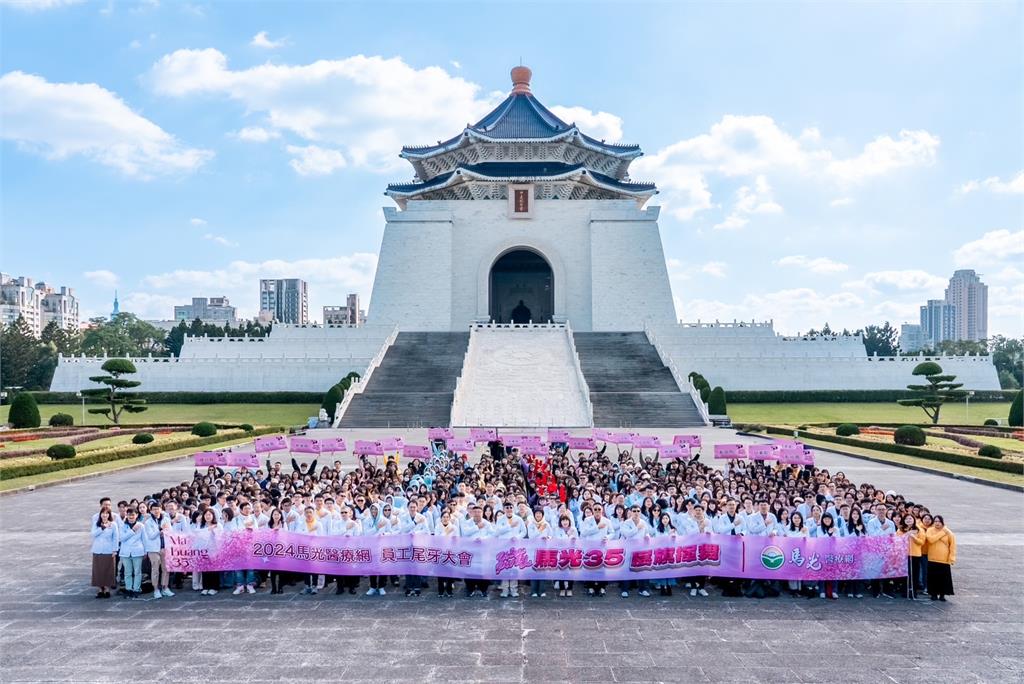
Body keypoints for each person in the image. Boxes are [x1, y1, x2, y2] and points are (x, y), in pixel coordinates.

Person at [924, 516, 955, 601]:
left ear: (942, 522)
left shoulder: (949, 532)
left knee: (943, 578)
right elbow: (931, 540)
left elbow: (952, 546)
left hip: (944, 559)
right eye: (935, 521)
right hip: (932, 558)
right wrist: (942, 532)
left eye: (939, 521)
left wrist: (952, 558)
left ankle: (942, 595)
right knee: (933, 578)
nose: (937, 523)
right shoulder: (930, 530)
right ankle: (933, 594)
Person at [118, 508, 145, 599]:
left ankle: (136, 589)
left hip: (137, 551)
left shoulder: (141, 525)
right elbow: (121, 538)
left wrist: (145, 551)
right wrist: (132, 531)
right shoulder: (123, 525)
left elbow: (144, 539)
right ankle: (128, 588)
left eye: (133, 515)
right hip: (126, 552)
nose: (131, 517)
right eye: (129, 515)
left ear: (136, 515)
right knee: (127, 572)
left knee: (137, 572)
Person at [91, 508, 118, 598]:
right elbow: (93, 534)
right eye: (103, 513)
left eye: (107, 513)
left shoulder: (113, 524)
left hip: (108, 550)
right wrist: (102, 528)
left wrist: (115, 550)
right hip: (98, 549)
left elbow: (115, 538)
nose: (104, 515)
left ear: (109, 515)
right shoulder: (96, 524)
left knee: (108, 570)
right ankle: (100, 589)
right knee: (98, 570)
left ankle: (106, 588)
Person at [527, 508, 552, 598]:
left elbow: (551, 535)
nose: (538, 515)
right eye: (536, 513)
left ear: (542, 515)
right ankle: (533, 591)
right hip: (533, 550)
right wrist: (540, 530)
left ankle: (542, 591)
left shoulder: (546, 524)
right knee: (534, 570)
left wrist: (547, 538)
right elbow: (531, 536)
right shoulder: (531, 524)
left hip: (544, 550)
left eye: (540, 513)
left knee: (542, 570)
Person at [436, 509, 460, 597]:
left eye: (447, 517)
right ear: (441, 518)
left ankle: (449, 590)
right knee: (440, 573)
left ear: (450, 518)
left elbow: (456, 539)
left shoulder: (454, 527)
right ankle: (441, 591)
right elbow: (437, 539)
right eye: (444, 517)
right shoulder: (438, 527)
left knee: (450, 572)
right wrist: (446, 533)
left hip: (451, 552)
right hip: (441, 552)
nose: (445, 519)